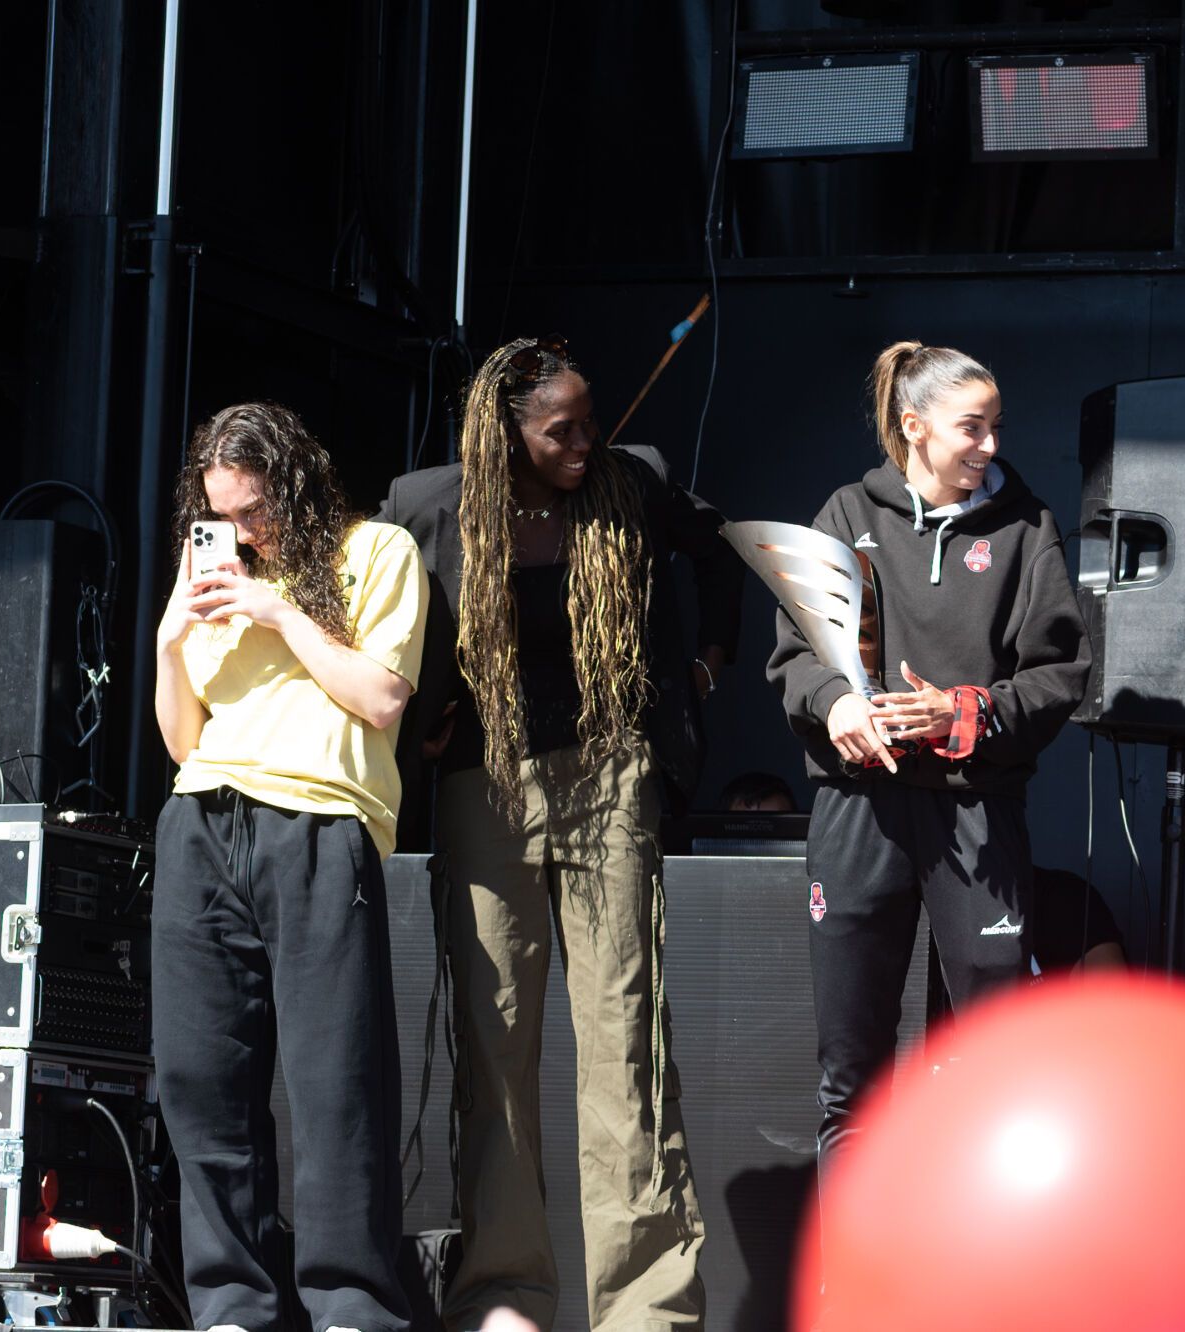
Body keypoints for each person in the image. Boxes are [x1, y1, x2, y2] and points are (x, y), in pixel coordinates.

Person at [380, 337, 740, 1332]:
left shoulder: (632, 485)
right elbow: (378, 616)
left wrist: (706, 664)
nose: (586, 441)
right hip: (485, 783)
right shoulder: (426, 505)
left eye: (590, 419)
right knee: (493, 1045)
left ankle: (646, 1307)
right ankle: (503, 1294)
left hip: (609, 776)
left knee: (626, 1045)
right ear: (506, 432)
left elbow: (720, 549)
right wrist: (421, 718)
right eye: (561, 429)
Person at [767, 341, 1090, 1183]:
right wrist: (835, 704)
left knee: (992, 1069)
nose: (989, 446)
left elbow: (1061, 675)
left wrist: (968, 711)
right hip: (859, 811)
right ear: (913, 428)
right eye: (970, 428)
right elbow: (798, 655)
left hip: (975, 810)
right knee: (854, 1080)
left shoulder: (1027, 528)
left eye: (995, 428)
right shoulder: (846, 513)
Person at [153, 402, 427, 1332]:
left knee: (334, 1079)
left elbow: (381, 696)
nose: (241, 532)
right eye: (224, 513)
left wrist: (278, 611)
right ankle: (234, 1303)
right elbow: (185, 737)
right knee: (202, 1078)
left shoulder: (375, 552)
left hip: (317, 821)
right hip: (203, 817)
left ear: (298, 488)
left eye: (258, 509)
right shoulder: (212, 572)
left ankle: (350, 1303)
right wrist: (169, 639)